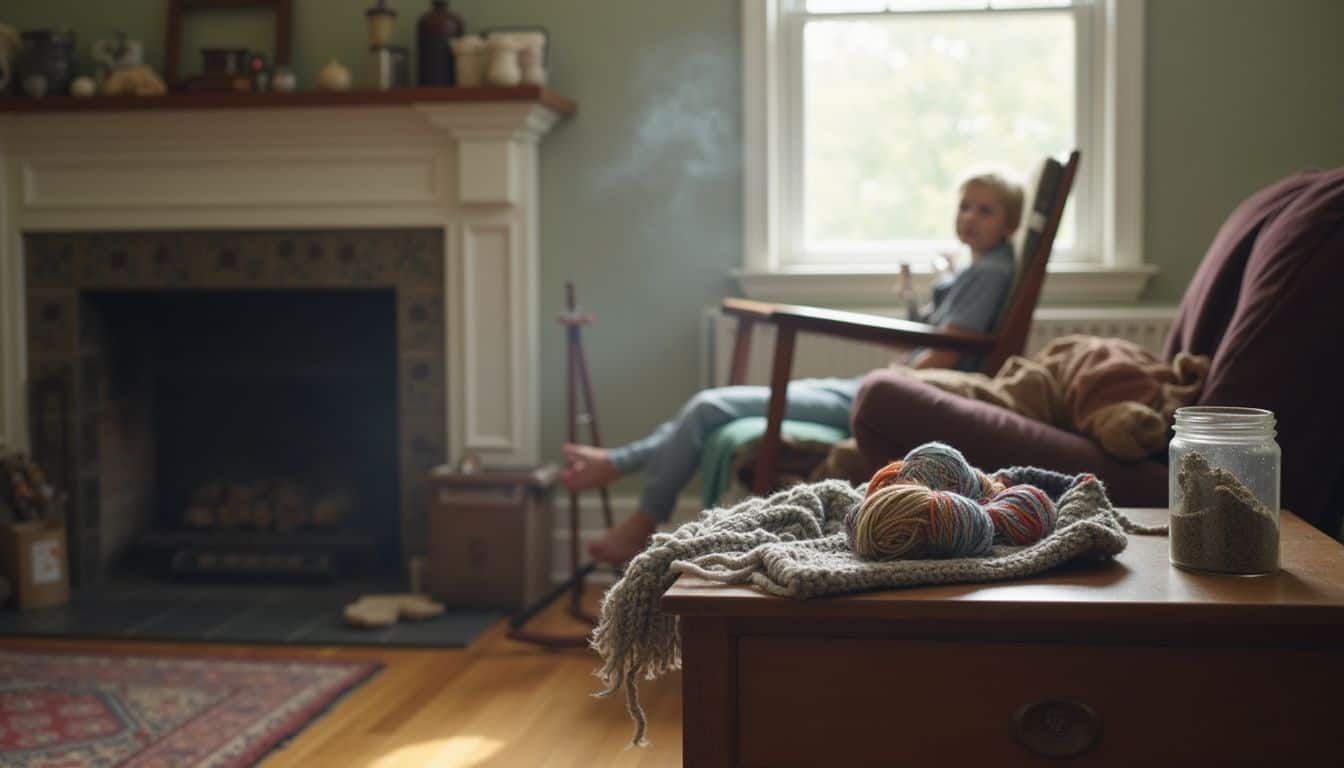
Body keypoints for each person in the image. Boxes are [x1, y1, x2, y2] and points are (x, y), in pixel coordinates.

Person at [565, 170, 1026, 564]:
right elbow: (942, 339)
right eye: (965, 206)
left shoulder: (988, 273)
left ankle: (639, 511)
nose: (970, 216)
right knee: (715, 410)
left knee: (710, 406)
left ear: (1009, 224)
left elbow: (947, 351)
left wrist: (898, 378)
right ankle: (616, 465)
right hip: (884, 389)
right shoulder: (981, 268)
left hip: (892, 398)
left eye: (986, 210)